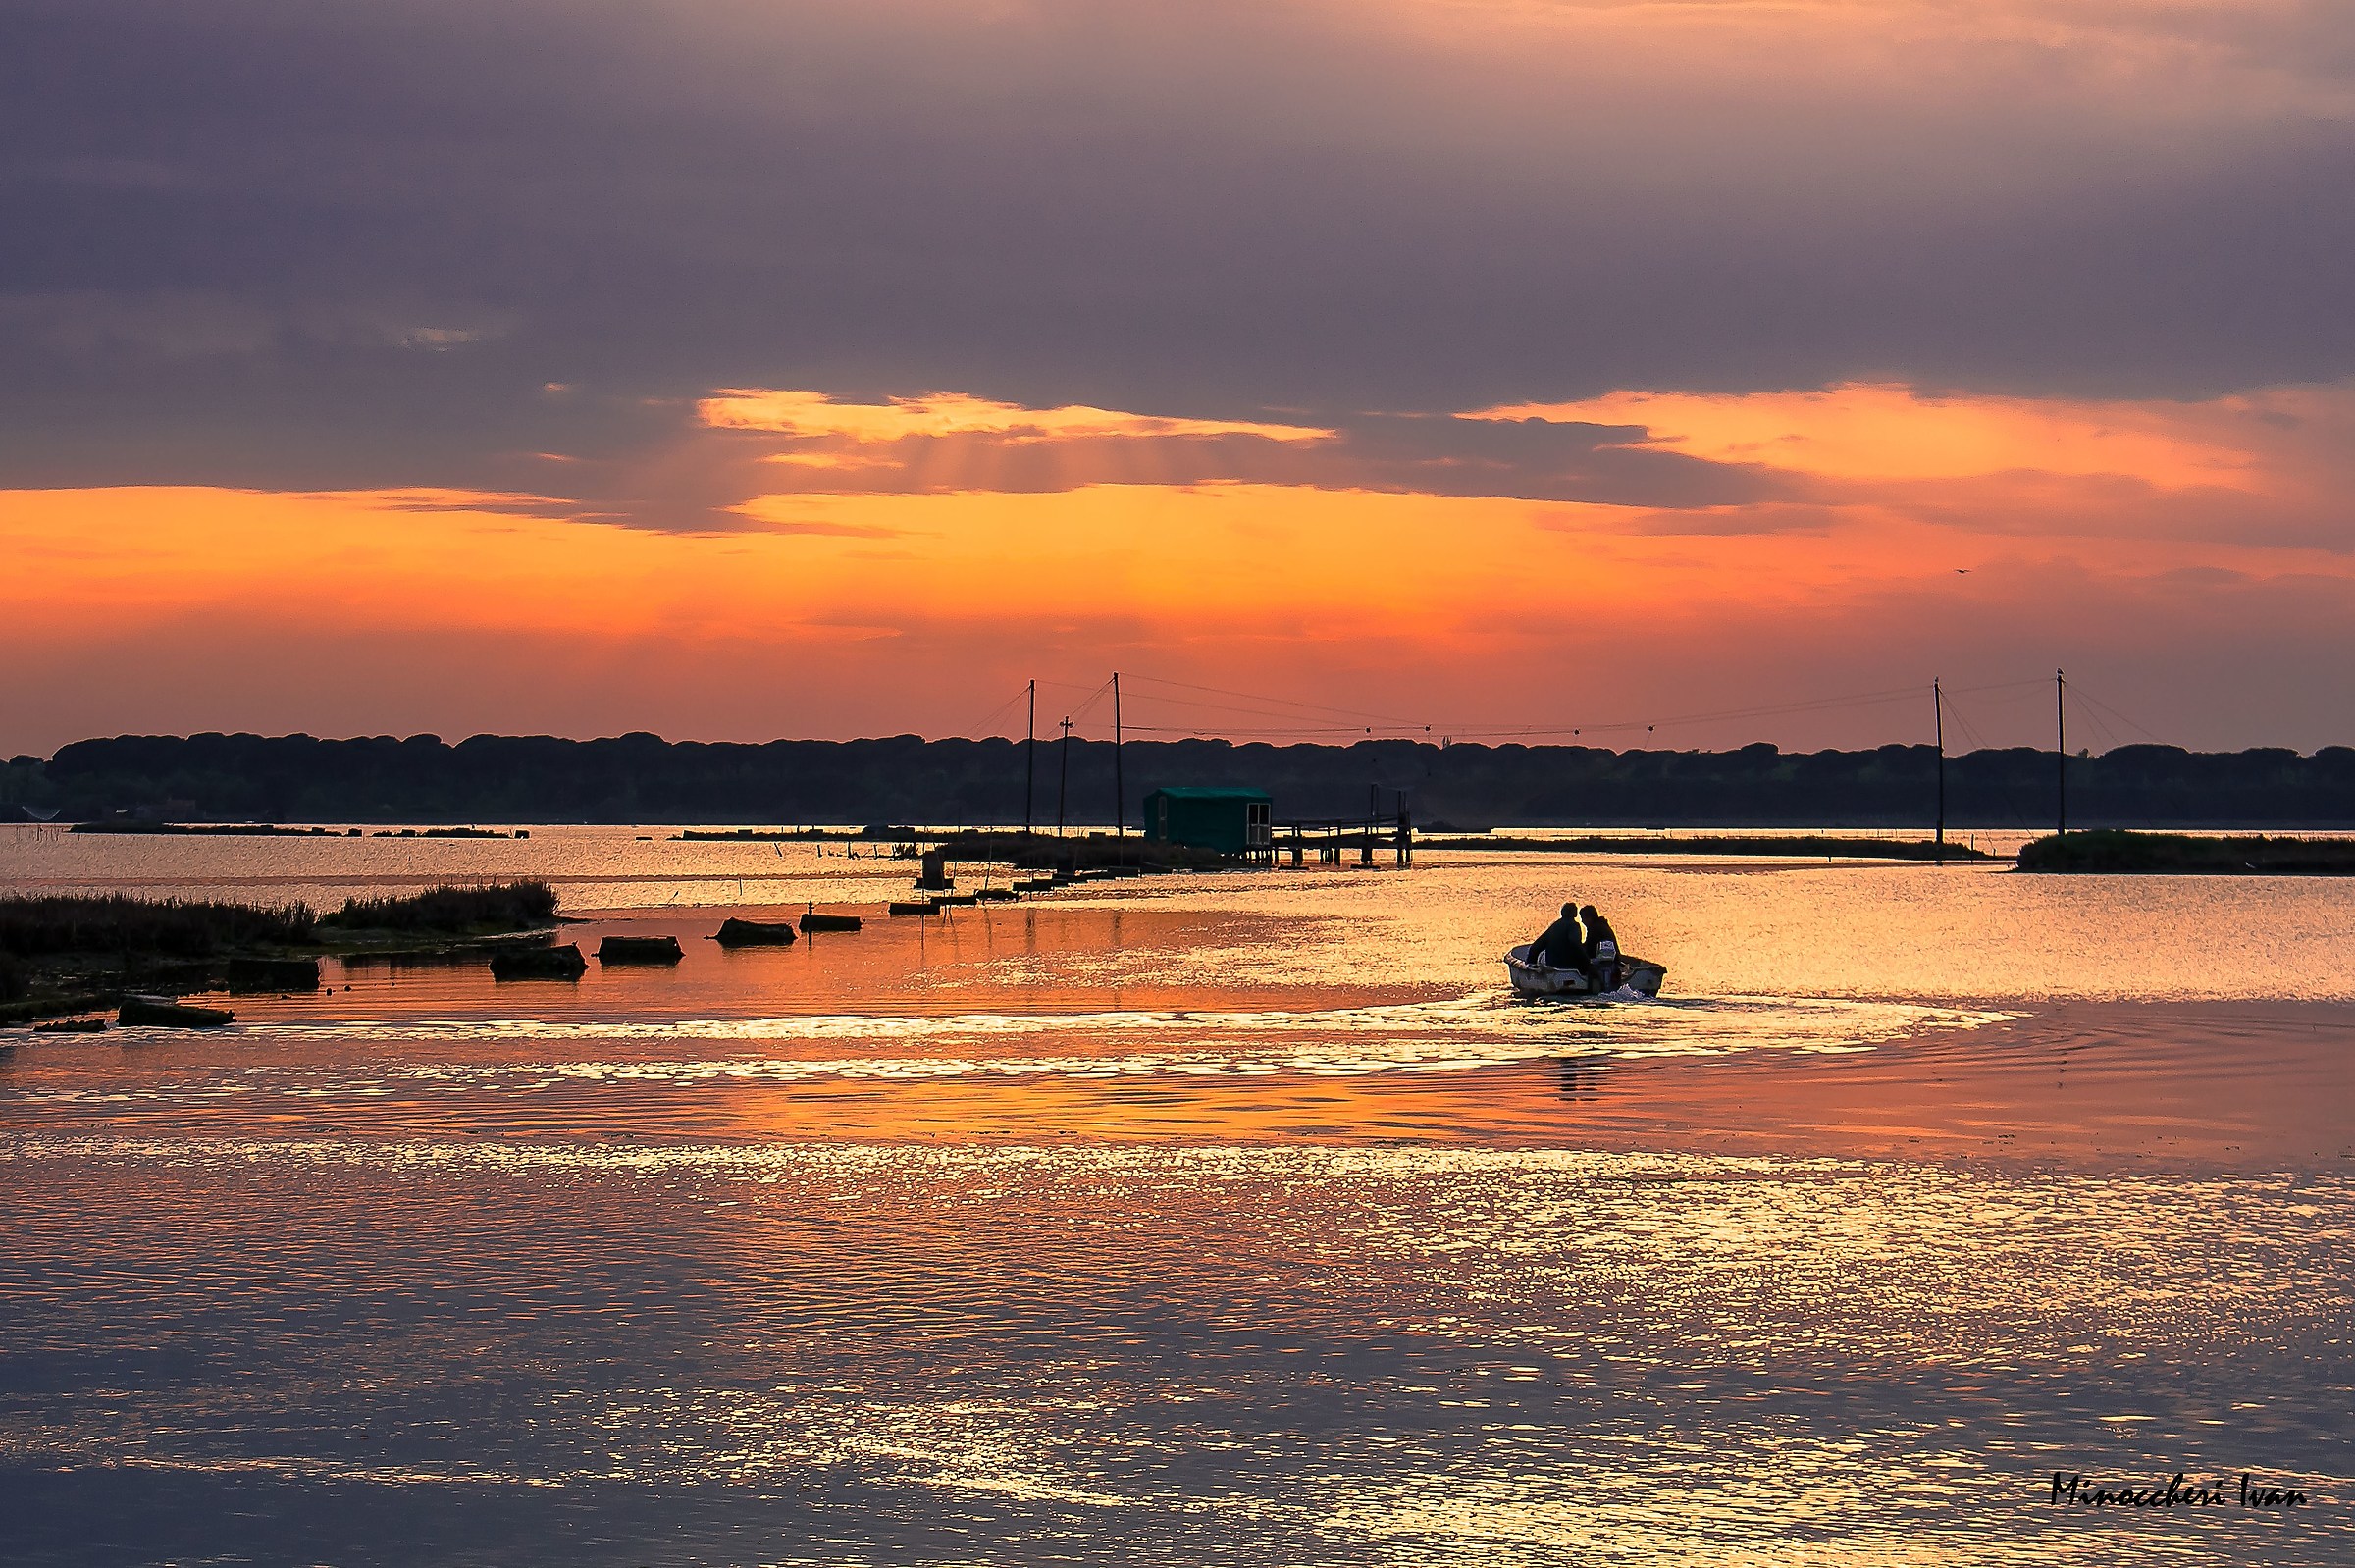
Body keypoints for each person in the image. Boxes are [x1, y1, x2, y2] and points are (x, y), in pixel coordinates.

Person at [1529, 902, 1584, 969]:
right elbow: (1576, 944)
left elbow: (1535, 948)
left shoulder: (1555, 926)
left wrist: (1531, 965)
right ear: (1575, 914)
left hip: (1552, 967)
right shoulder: (1574, 926)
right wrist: (1587, 963)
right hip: (1570, 967)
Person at [1580, 905, 1619, 990]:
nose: (1582, 922)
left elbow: (1590, 949)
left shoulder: (1594, 929)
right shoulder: (1603, 925)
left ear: (1589, 918)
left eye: (1583, 919)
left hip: (1603, 963)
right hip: (1614, 961)